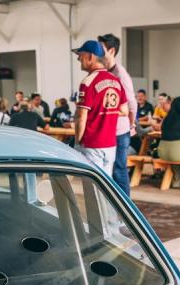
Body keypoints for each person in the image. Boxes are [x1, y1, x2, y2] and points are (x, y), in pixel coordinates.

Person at [72, 40, 129, 174]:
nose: (78, 58)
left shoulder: (88, 82)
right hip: (110, 143)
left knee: (92, 188)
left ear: (91, 56)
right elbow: (124, 111)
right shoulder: (116, 80)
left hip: (92, 144)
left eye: (81, 55)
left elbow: (81, 117)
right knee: (105, 184)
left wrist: (77, 142)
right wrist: (105, 111)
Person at [98, 33, 137, 195]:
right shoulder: (104, 71)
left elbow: (132, 104)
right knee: (109, 169)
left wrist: (130, 124)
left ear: (111, 51)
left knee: (119, 169)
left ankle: (125, 209)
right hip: (108, 129)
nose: (97, 52)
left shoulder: (120, 74)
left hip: (120, 131)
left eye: (101, 49)